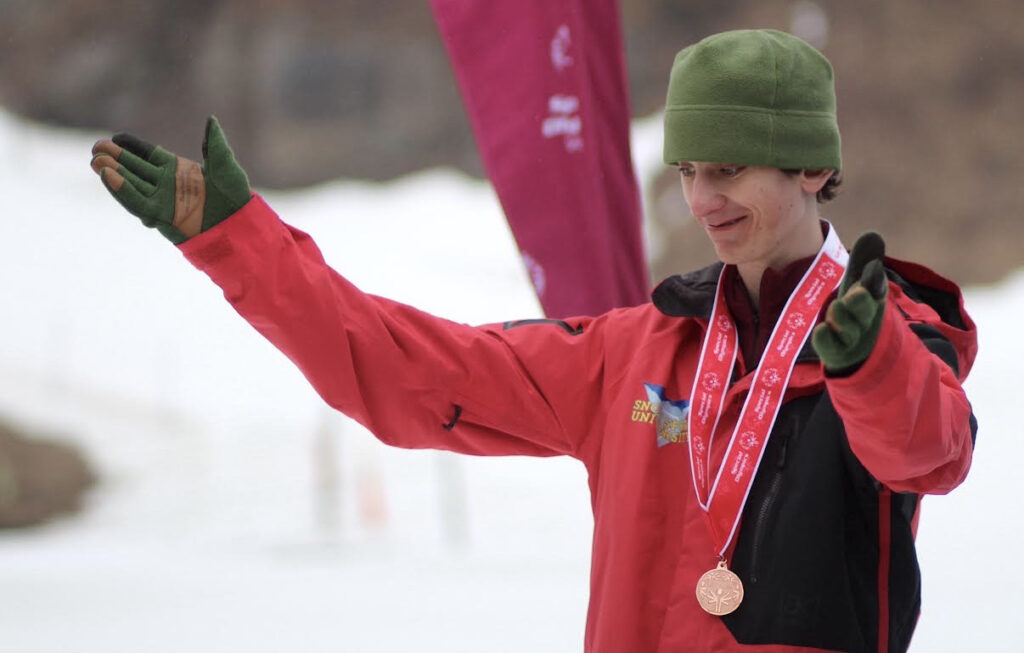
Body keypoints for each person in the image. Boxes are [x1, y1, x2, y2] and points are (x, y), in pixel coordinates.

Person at [89, 28, 976, 653]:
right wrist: (239, 240)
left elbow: (929, 450)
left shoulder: (895, 337)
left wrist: (869, 365)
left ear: (814, 167)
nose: (703, 199)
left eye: (731, 168)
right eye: (689, 170)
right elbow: (404, 372)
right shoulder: (632, 351)